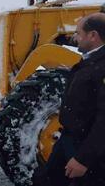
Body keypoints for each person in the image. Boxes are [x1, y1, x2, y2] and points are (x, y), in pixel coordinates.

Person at [33, 13, 105, 186]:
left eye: (78, 33)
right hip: (69, 139)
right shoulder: (90, 59)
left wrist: (83, 159)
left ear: (93, 35)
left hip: (87, 148)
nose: (75, 38)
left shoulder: (101, 66)